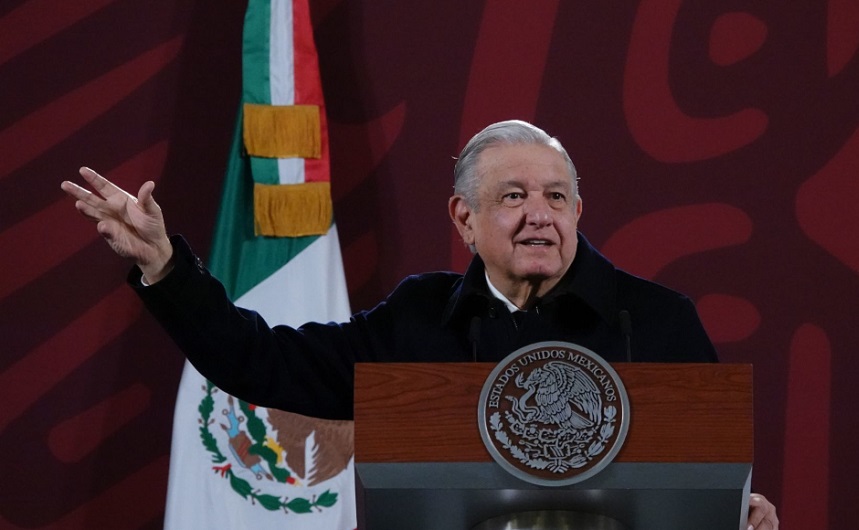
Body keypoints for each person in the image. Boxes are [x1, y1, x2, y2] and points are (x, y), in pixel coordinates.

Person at [61, 120, 778, 529]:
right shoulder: (419, 320)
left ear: (577, 212)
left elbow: (706, 473)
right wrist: (166, 267)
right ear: (464, 219)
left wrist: (736, 513)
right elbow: (261, 362)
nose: (540, 213)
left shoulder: (654, 321)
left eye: (557, 196)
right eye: (514, 195)